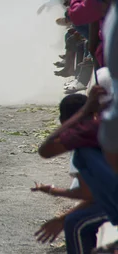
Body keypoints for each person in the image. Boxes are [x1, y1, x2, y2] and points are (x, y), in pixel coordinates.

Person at [32, 93, 109, 254]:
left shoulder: (82, 142)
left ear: (62, 122)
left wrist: (53, 191)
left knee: (76, 224)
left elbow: (90, 195)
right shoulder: (103, 125)